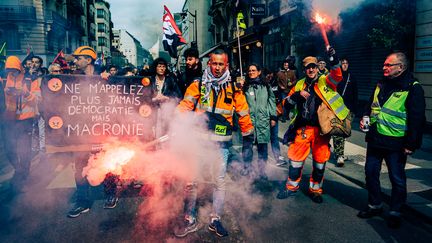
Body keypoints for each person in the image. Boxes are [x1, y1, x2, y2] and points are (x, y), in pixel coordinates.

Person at [175, 49, 254, 238]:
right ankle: (189, 218)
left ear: (226, 66)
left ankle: (215, 219)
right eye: (214, 63)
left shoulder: (235, 88)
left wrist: (248, 134)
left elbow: (243, 112)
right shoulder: (198, 85)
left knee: (219, 182)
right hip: (199, 143)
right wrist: (176, 122)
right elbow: (184, 106)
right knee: (191, 181)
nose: (217, 68)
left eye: (221, 64)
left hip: (221, 146)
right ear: (209, 63)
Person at [357, 52, 425, 228]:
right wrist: (365, 115)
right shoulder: (381, 83)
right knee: (371, 173)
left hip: (396, 143)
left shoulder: (413, 87)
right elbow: (370, 104)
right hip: (375, 138)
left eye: (389, 65)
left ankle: (395, 211)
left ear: (401, 67)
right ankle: (375, 205)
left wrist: (411, 144)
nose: (384, 68)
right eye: (384, 65)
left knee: (397, 178)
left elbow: (417, 118)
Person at [277, 46, 345, 204]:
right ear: (304, 69)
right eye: (308, 67)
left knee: (320, 163)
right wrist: (296, 95)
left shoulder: (325, 81)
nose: (311, 70)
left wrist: (333, 59)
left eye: (313, 67)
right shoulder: (299, 84)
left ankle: (315, 190)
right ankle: (291, 187)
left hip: (322, 130)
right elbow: (286, 104)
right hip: (303, 129)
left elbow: (337, 75)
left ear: (317, 67)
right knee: (295, 161)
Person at [67, 46, 120, 217]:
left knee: (107, 161)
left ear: (88, 60)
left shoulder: (104, 76)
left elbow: (122, 94)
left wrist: (109, 80)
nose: (75, 61)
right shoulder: (73, 79)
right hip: (81, 130)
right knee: (80, 167)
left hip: (102, 128)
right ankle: (83, 201)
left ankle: (111, 193)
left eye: (78, 58)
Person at [1, 56, 41, 192]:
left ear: (20, 68)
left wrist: (26, 93)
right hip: (8, 120)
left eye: (15, 70)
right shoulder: (3, 79)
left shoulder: (30, 79)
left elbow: (37, 100)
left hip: (25, 120)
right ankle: (18, 170)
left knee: (24, 150)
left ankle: (23, 175)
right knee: (9, 149)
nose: (12, 72)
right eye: (9, 70)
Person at [242, 64, 277, 179]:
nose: (251, 72)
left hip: (263, 121)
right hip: (249, 121)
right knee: (247, 147)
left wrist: (273, 116)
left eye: (253, 70)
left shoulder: (266, 86)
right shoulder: (245, 86)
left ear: (259, 72)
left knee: (262, 148)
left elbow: (271, 100)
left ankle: (262, 171)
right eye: (249, 70)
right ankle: (247, 168)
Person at [333, 57, 358, 167]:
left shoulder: (352, 77)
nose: (344, 65)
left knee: (343, 133)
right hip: (337, 109)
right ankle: (339, 155)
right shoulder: (336, 77)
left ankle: (339, 153)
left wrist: (355, 110)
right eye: (342, 63)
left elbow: (355, 94)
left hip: (348, 110)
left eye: (346, 63)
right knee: (338, 132)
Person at [150, 57, 182, 139]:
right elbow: (143, 97)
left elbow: (179, 96)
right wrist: (154, 99)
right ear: (155, 67)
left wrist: (167, 99)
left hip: (167, 111)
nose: (162, 68)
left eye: (163, 66)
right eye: (159, 66)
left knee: (165, 132)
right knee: (153, 132)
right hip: (152, 111)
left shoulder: (170, 80)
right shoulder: (150, 80)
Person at [264, 68, 287, 166]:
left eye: (270, 74)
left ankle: (277, 157)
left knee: (274, 136)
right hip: (263, 115)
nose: (269, 76)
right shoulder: (260, 85)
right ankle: (262, 160)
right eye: (267, 75)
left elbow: (277, 99)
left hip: (274, 114)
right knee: (263, 137)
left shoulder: (275, 84)